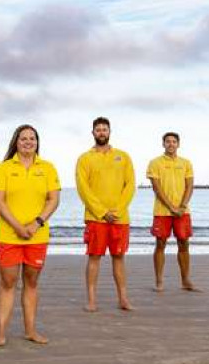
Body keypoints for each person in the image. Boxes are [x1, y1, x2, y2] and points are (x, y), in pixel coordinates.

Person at [0, 125, 60, 347]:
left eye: (32, 138)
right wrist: (18, 227)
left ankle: (31, 330)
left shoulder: (47, 168)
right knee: (7, 283)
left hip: (37, 236)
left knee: (31, 282)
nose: (28, 142)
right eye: (23, 138)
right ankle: (1, 333)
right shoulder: (3, 168)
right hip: (9, 236)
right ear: (16, 142)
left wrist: (36, 223)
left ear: (37, 142)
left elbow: (53, 199)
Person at [75, 117, 136, 312]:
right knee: (94, 257)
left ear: (110, 132)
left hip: (119, 218)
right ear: (93, 133)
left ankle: (123, 299)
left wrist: (117, 211)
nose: (102, 132)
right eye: (98, 129)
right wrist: (101, 212)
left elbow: (130, 185)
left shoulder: (123, 156)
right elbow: (83, 188)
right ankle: (92, 300)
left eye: (105, 129)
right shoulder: (85, 158)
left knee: (119, 257)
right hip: (96, 218)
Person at [147, 132, 198, 292]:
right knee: (160, 244)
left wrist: (182, 206)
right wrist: (171, 207)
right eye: (167, 141)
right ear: (163, 144)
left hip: (183, 212)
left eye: (174, 141)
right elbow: (157, 188)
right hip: (162, 211)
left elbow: (189, 186)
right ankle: (159, 281)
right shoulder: (155, 163)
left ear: (178, 144)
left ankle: (185, 280)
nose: (171, 144)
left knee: (184, 244)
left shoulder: (186, 163)